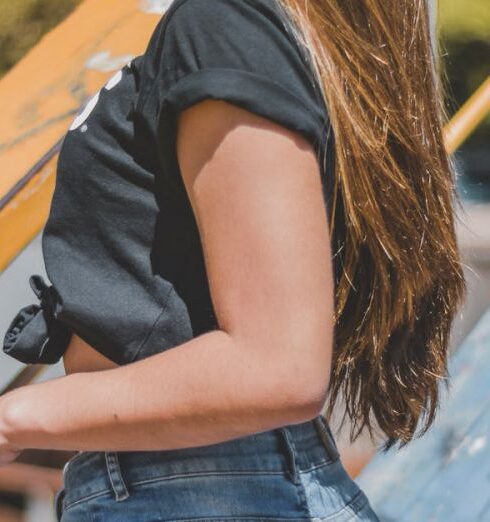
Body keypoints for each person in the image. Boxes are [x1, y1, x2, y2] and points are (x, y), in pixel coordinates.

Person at [0, 0, 466, 520]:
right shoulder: (244, 26)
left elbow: (273, 364)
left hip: (200, 491)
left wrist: (14, 418)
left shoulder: (222, 22)